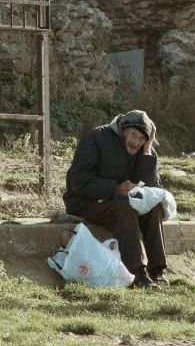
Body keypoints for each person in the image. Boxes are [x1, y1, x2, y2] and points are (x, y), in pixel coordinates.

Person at [64, 109, 169, 289]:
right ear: (123, 130)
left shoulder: (145, 150)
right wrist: (114, 188)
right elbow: (78, 181)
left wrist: (147, 152)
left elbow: (151, 187)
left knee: (154, 209)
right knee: (124, 209)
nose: (136, 142)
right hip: (86, 202)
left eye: (142, 138)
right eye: (133, 134)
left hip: (119, 202)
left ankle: (157, 271)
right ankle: (137, 273)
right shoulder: (96, 138)